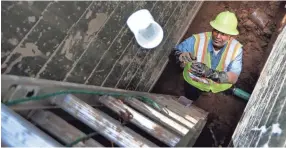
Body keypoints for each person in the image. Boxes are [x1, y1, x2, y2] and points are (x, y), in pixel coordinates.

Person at [174, 11, 243, 101]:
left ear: (230, 36)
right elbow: (176, 51)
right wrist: (181, 56)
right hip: (194, 82)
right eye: (216, 31)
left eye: (223, 34)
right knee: (191, 96)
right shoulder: (198, 40)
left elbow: (233, 77)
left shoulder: (236, 49)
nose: (218, 36)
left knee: (221, 91)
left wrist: (210, 73)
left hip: (218, 86)